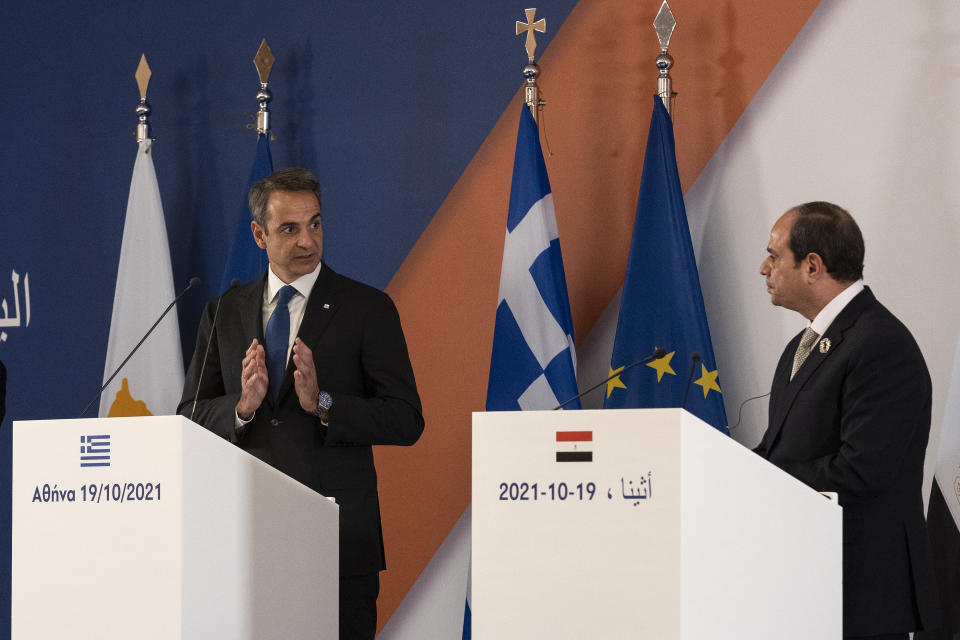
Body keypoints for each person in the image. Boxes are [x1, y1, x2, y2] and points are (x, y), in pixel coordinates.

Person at [179, 167, 424, 640]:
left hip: (335, 545)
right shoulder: (224, 312)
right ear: (258, 234)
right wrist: (241, 408)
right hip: (247, 543)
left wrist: (323, 403)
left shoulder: (366, 309)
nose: (307, 240)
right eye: (289, 228)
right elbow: (188, 413)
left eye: (314, 223)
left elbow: (405, 418)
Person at [755, 201, 941, 639]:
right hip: (808, 584)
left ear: (813, 266)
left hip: (862, 593)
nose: (763, 268)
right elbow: (779, 449)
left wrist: (760, 478)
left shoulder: (880, 345)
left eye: (774, 255)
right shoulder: (802, 346)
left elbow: (861, 471)